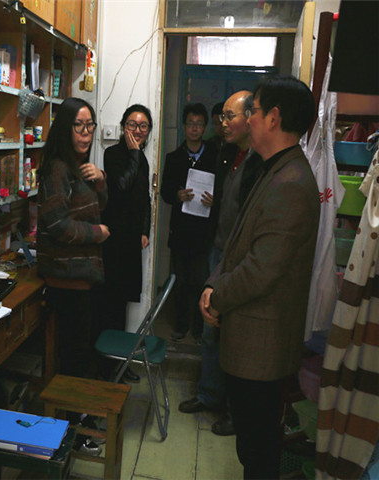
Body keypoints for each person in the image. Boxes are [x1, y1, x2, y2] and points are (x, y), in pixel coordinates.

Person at [199, 75, 320, 479]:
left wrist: (216, 297)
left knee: (258, 451)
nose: (247, 118)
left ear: (273, 118)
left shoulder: (292, 182)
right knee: (251, 446)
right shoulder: (271, 168)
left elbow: (261, 269)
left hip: (261, 346)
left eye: (253, 111)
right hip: (249, 341)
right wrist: (213, 282)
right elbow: (237, 240)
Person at [178, 91, 263, 437]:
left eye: (229, 117)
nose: (222, 124)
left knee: (236, 335)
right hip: (219, 250)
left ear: (250, 118)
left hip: (242, 258)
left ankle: (234, 411)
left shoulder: (260, 159)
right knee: (211, 327)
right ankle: (208, 394)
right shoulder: (228, 154)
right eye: (222, 117)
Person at [37, 97, 109, 455]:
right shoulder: (57, 169)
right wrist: (98, 234)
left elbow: (96, 208)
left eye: (90, 125)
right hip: (65, 280)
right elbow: (58, 225)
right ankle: (74, 432)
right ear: (65, 128)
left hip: (81, 276)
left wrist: (101, 181)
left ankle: (78, 423)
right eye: (78, 125)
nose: (86, 133)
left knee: (80, 356)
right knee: (74, 358)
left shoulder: (79, 167)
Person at [97, 104, 153, 383]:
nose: (137, 130)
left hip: (132, 239)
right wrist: (133, 154)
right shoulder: (114, 154)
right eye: (132, 124)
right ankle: (107, 367)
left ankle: (120, 363)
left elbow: (145, 199)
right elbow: (121, 187)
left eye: (143, 126)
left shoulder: (141, 158)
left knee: (125, 303)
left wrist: (145, 230)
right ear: (123, 127)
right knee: (111, 305)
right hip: (114, 240)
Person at [161, 103, 217, 343]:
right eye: (190, 124)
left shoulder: (215, 156)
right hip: (181, 231)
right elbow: (164, 192)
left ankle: (198, 329)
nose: (194, 129)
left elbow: (224, 191)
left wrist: (215, 200)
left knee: (201, 281)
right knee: (180, 281)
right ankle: (181, 325)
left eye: (199, 124)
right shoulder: (174, 158)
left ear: (205, 127)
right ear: (184, 127)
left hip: (204, 232)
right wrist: (177, 194)